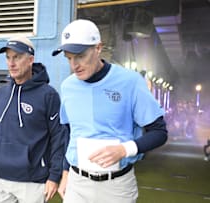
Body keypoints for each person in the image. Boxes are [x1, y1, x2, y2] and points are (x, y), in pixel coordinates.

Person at [52, 19, 168, 203]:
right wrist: (65, 173)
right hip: (77, 183)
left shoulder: (130, 82)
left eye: (80, 55)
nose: (74, 65)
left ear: (98, 48)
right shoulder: (67, 86)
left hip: (117, 186)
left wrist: (124, 149)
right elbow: (68, 133)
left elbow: (159, 132)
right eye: (69, 58)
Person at [0, 36, 66, 203]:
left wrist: (54, 176)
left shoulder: (48, 95)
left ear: (30, 60)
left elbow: (59, 138)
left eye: (17, 57)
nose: (11, 63)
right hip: (0, 178)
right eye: (8, 57)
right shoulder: (1, 93)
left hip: (32, 180)